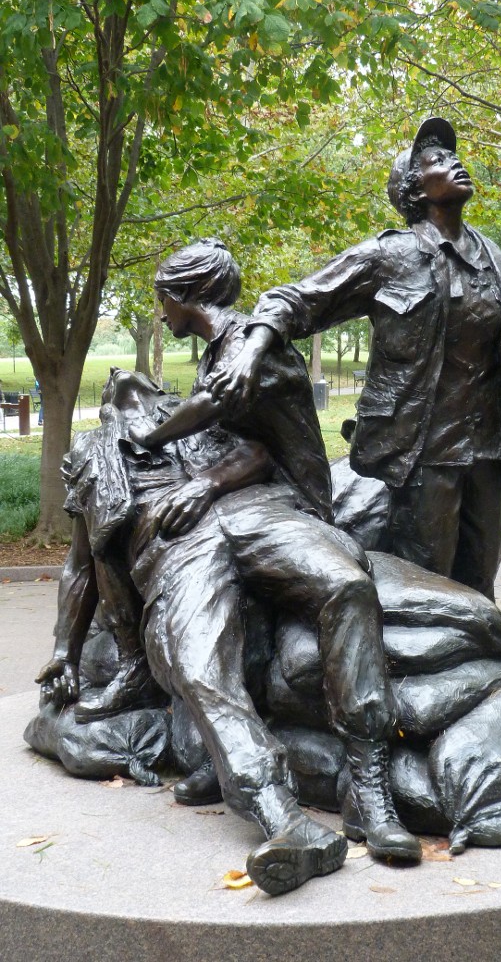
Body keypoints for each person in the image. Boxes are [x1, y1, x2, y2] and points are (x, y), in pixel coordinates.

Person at [133, 241, 420, 869]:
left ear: (184, 296)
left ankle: (368, 790)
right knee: (199, 654)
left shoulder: (249, 346)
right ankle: (269, 802)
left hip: (283, 507)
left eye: (163, 299)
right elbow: (240, 442)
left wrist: (147, 435)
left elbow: (219, 409)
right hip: (217, 520)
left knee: (346, 586)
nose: (160, 314)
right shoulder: (218, 351)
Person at [205, 117, 501, 601]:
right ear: (414, 188)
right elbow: (294, 300)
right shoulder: (388, 256)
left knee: (480, 582)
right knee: (427, 584)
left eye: (452, 155)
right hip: (423, 450)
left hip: (490, 452)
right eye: (437, 160)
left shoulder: (496, 261)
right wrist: (251, 350)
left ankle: (493, 673)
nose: (454, 162)